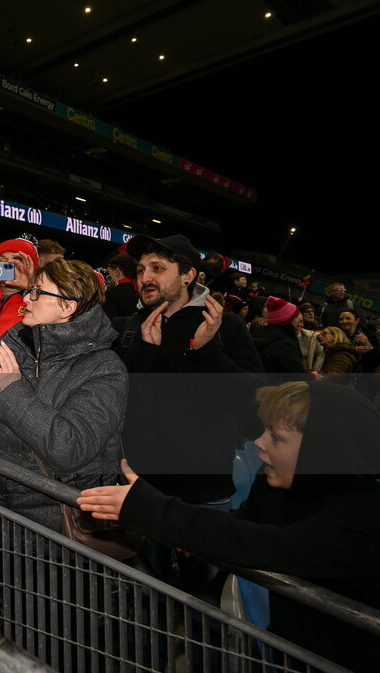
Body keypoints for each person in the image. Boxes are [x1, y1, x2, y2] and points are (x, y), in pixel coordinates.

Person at [78, 381, 380, 673]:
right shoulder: (277, 484)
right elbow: (241, 524)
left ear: (320, 452)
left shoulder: (365, 514)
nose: (258, 442)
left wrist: (155, 512)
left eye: (275, 437)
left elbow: (271, 546)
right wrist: (192, 535)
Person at [116, 233, 262, 604]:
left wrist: (206, 351)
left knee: (206, 612)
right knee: (144, 607)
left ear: (188, 275)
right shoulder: (130, 326)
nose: (145, 277)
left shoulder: (225, 326)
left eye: (158, 268)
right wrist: (142, 356)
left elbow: (253, 403)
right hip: (141, 489)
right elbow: (115, 401)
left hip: (204, 496)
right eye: (141, 269)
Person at [0, 259, 126, 530]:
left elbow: (68, 449)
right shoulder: (20, 348)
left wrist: (14, 388)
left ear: (67, 307)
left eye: (37, 292)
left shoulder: (105, 369)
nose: (26, 297)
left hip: (55, 519)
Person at [250, 297, 306, 374]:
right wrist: (312, 376)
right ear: (288, 320)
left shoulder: (263, 335)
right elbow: (298, 373)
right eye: (296, 317)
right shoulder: (285, 345)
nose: (301, 324)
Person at [102, 253, 139, 320]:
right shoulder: (140, 291)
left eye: (108, 273)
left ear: (117, 271)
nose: (106, 278)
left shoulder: (111, 294)